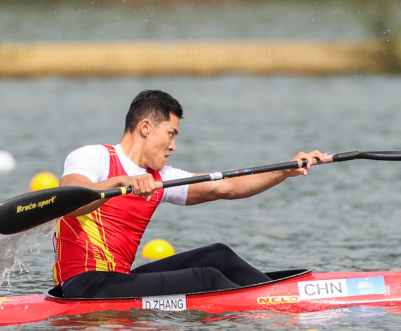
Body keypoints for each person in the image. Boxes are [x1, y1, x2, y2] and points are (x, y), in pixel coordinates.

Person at [53, 90, 330, 299]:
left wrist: (285, 170)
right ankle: (276, 309)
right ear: (146, 128)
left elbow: (225, 186)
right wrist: (119, 184)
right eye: (171, 134)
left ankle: (287, 295)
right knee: (206, 278)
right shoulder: (94, 156)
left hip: (117, 280)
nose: (173, 146)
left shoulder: (160, 177)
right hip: (84, 285)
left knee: (218, 256)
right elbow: (68, 200)